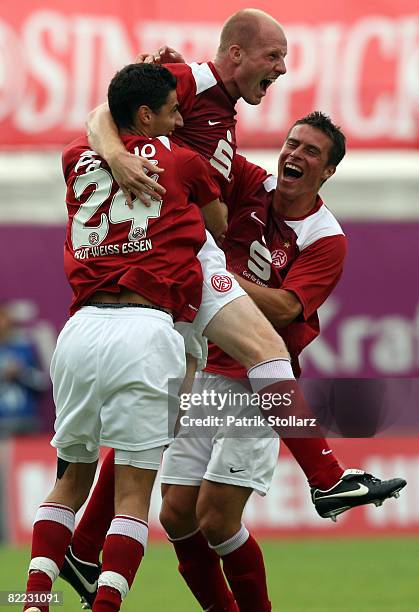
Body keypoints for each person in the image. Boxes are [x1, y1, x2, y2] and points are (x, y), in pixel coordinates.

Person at [157, 113, 407, 611]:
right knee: (174, 515)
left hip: (258, 380)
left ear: (328, 171)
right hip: (203, 366)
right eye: (292, 143)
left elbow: (288, 307)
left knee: (217, 520)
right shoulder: (251, 183)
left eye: (312, 151)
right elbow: (200, 144)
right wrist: (174, 85)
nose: (295, 154)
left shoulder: (326, 237)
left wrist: (217, 282)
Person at [22, 62, 227, 612]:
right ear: (145, 114)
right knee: (133, 497)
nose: (180, 118)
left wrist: (113, 150)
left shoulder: (72, 160)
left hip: (80, 329)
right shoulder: (183, 161)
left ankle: (34, 601)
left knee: (68, 482)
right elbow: (220, 222)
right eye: (171, 109)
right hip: (144, 329)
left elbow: (92, 131)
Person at [0, 303, 48, 437]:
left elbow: (42, 383)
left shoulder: (24, 349)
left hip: (26, 420)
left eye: (4, 321)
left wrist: (21, 372)